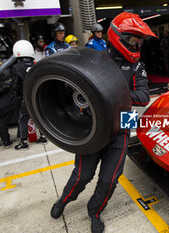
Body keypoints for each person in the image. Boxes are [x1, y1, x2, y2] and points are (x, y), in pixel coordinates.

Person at [50, 12, 156, 233]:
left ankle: (94, 211)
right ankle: (64, 200)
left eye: (139, 41)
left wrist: (111, 92)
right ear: (118, 36)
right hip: (94, 125)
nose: (137, 45)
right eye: (134, 39)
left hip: (123, 125)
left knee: (109, 179)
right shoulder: (95, 59)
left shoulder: (137, 67)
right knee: (82, 176)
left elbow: (144, 96)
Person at [11, 40, 35, 150]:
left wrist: (17, 95)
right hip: (37, 95)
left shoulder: (17, 67)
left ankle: (24, 142)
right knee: (38, 117)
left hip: (26, 96)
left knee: (23, 119)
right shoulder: (36, 64)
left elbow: (15, 85)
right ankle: (43, 137)